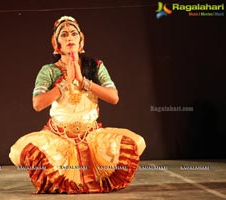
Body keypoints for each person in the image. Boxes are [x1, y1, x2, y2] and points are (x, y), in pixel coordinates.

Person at [9, 16, 146, 194]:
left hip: (92, 137)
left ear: (81, 40)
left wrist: (83, 81)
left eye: (74, 34)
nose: (69, 38)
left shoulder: (95, 66)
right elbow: (37, 104)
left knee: (134, 142)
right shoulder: (49, 71)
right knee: (27, 150)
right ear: (56, 43)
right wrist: (66, 82)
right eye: (64, 35)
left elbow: (114, 98)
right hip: (59, 138)